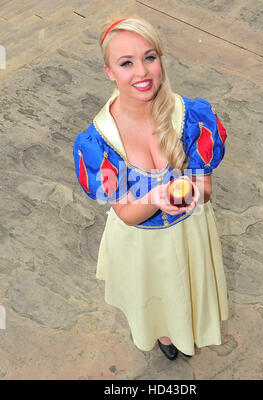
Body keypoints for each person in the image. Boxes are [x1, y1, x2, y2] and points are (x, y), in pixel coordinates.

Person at [73, 15, 229, 361]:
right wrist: (158, 197)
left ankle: (179, 332)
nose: (141, 72)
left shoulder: (191, 117)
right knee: (154, 295)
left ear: (161, 58)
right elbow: (127, 215)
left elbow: (205, 190)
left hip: (189, 231)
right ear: (109, 72)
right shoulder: (97, 142)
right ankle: (163, 334)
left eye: (149, 57)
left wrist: (190, 192)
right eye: (126, 63)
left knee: (185, 289)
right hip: (139, 243)